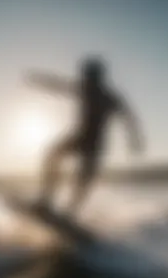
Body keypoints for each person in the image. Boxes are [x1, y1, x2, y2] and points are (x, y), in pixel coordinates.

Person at [24, 56, 146, 215]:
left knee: (83, 179)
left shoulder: (109, 97)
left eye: (88, 76)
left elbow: (128, 117)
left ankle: (70, 212)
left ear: (97, 77)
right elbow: (60, 85)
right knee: (53, 155)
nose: (85, 79)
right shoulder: (85, 88)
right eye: (85, 76)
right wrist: (41, 80)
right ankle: (46, 200)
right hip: (79, 138)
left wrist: (135, 139)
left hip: (95, 146)